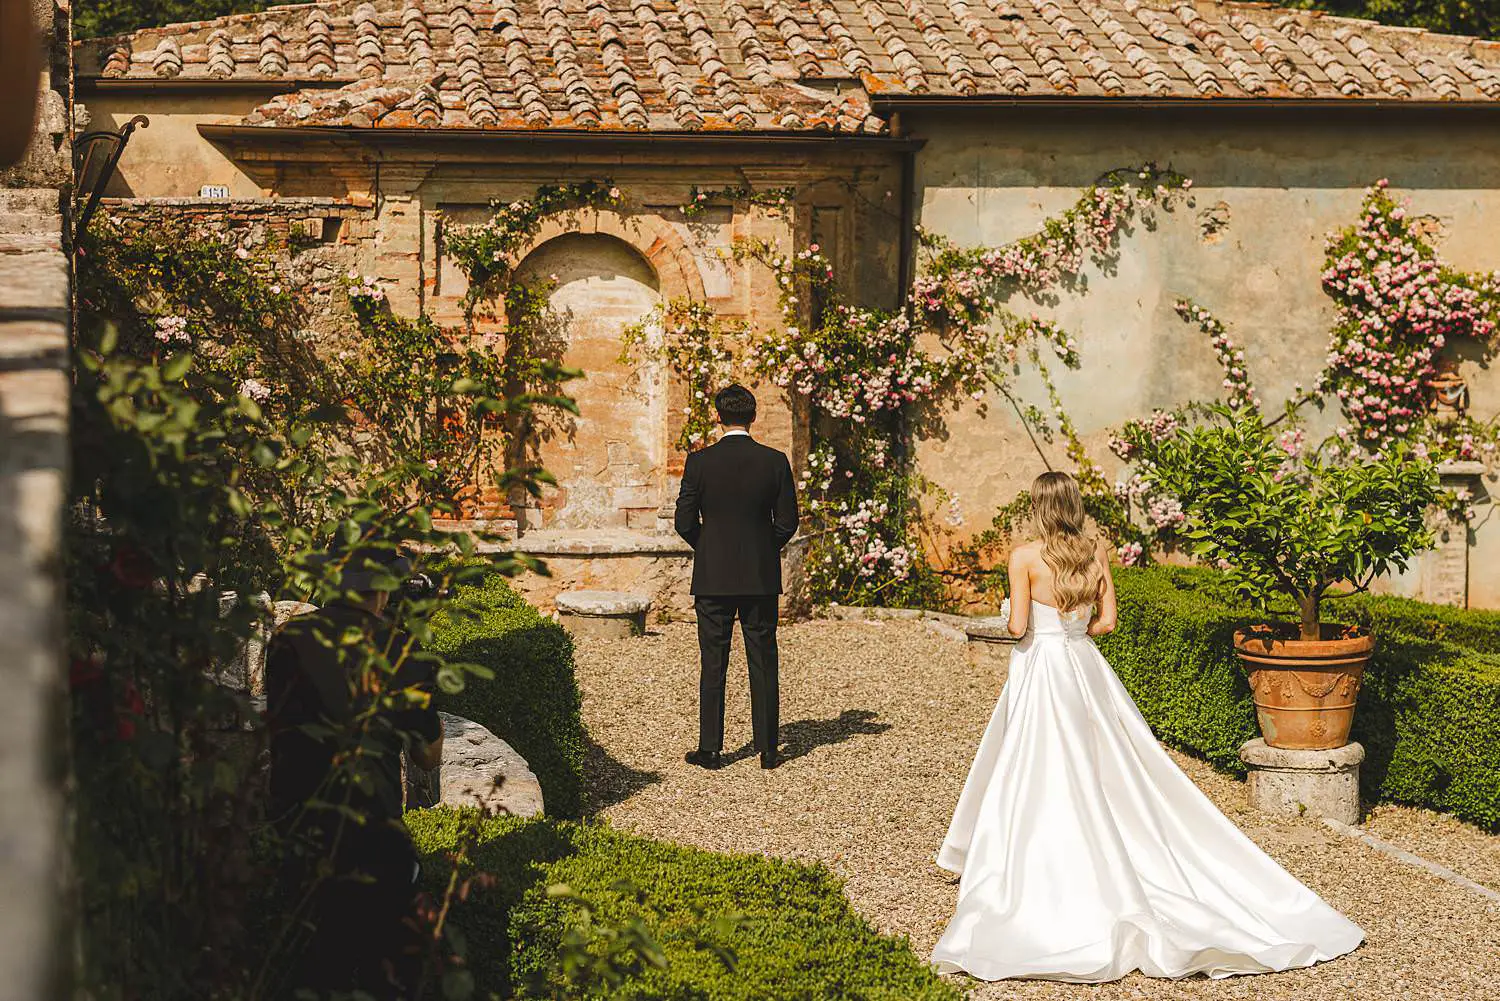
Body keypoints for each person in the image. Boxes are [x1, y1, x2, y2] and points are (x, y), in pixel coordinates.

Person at [932, 471, 1363, 982]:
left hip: (1041, 669)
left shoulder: (1024, 556)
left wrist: (1014, 613)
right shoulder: (1094, 552)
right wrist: (1074, 627)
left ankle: (1034, 857)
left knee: (1033, 761)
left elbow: (1018, 628)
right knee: (1111, 760)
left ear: (1039, 507)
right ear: (1073, 505)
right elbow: (1107, 623)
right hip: (1084, 666)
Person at [266, 542, 445, 999]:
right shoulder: (401, 650)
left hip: (298, 830)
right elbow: (427, 756)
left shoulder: (287, 640)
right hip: (372, 841)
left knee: (311, 974)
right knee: (383, 977)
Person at [674, 385, 799, 771]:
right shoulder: (775, 461)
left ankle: (710, 749)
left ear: (718, 416)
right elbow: (788, 522)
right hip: (760, 578)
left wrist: (709, 547)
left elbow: (683, 522)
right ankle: (768, 749)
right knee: (763, 659)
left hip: (713, 578)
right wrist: (762, 549)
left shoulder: (699, 463)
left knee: (714, 662)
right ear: (753, 417)